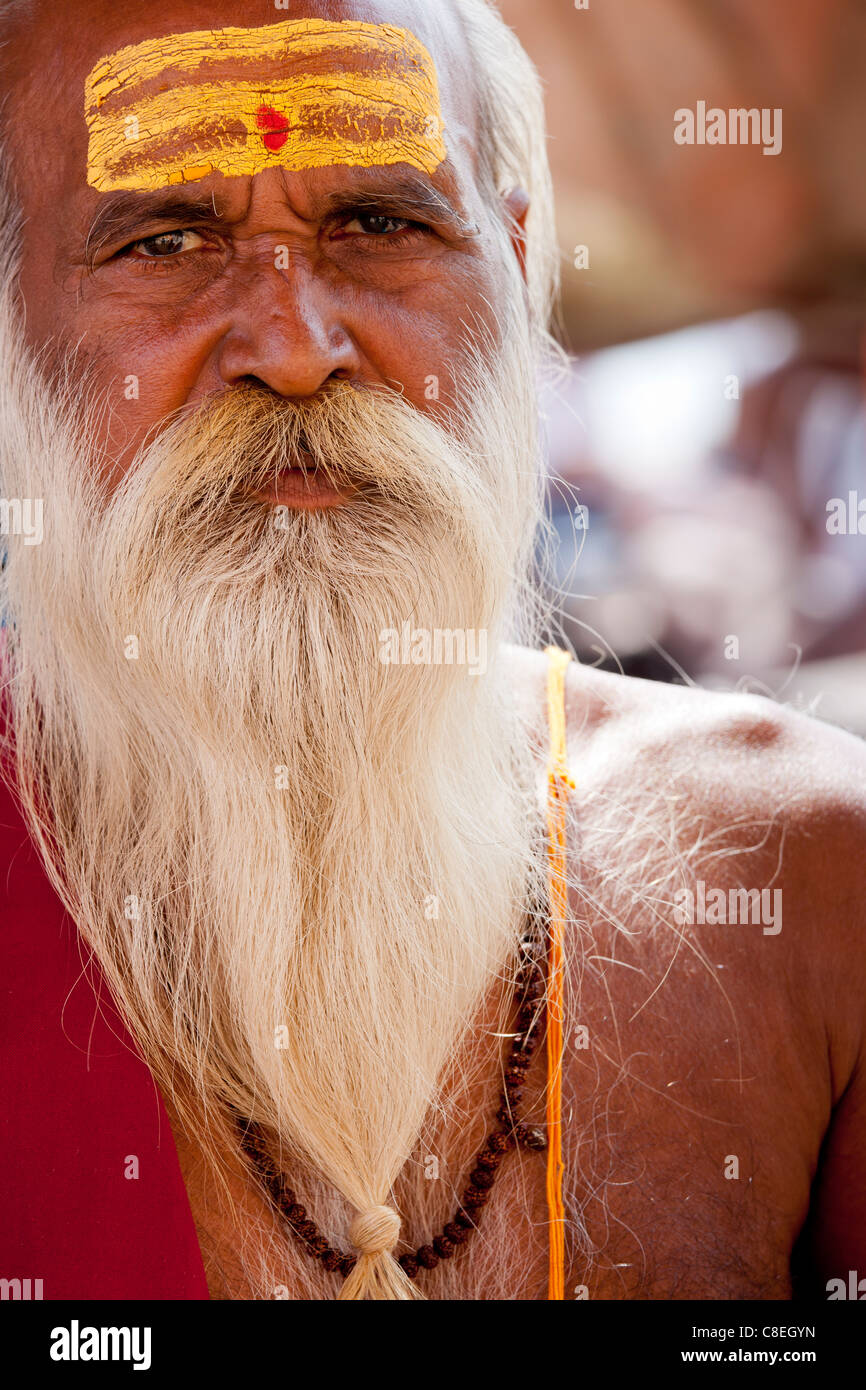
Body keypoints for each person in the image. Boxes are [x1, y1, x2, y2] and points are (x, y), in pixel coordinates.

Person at [0, 0, 863, 1302]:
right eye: (166, 239)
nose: (294, 349)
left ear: (514, 272)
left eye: (379, 225)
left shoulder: (804, 870)